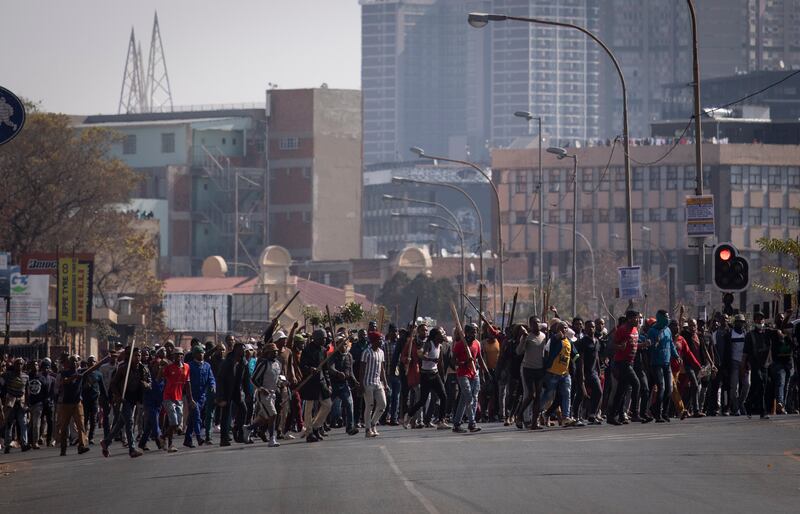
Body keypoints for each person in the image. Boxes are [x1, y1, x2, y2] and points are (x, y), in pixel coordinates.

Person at [101, 347, 149, 458]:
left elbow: (149, 382)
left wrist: (146, 385)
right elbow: (113, 384)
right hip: (124, 399)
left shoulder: (143, 369)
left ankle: (106, 442)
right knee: (130, 421)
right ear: (131, 357)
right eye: (135, 355)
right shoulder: (123, 369)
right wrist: (117, 396)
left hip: (135, 399)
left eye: (139, 355)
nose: (138, 358)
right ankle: (132, 449)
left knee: (120, 423)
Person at [404, 327, 450, 430]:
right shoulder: (429, 344)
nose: (443, 334)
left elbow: (440, 363)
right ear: (435, 336)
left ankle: (441, 421)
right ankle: (409, 415)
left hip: (435, 374)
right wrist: (431, 359)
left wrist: (442, 376)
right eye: (441, 333)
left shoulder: (440, 346)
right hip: (426, 375)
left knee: (443, 396)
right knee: (422, 401)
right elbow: (422, 356)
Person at [55, 355, 99, 456]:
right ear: (69, 363)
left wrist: (106, 359)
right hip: (66, 404)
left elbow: (93, 368)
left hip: (77, 402)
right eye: (72, 362)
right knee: (64, 427)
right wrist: (74, 377)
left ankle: (82, 446)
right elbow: (64, 381)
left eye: (76, 362)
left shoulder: (81, 372)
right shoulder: (64, 372)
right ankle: (63, 448)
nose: (75, 363)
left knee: (81, 425)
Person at [539, 321, 580, 427]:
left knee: (566, 394)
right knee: (548, 395)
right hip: (552, 373)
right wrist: (556, 337)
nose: (563, 330)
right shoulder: (553, 339)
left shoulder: (569, 341)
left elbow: (575, 355)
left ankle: (566, 417)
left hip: (565, 374)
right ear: (557, 329)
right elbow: (549, 347)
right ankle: (536, 413)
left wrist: (576, 363)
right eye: (561, 328)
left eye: (565, 328)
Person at [452, 323, 487, 433]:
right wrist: (463, 363)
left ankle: (457, 423)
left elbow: (480, 358)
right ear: (466, 333)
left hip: (474, 373)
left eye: (476, 331)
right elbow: (453, 362)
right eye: (472, 332)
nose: (474, 334)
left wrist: (485, 372)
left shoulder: (477, 343)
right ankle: (472, 423)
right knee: (468, 397)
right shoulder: (460, 344)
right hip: (463, 374)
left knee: (471, 398)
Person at [299, 329, 332, 443]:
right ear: (316, 338)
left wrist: (329, 384)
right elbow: (302, 365)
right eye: (322, 338)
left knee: (327, 405)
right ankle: (309, 432)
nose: (324, 340)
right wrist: (309, 369)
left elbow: (326, 370)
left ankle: (315, 426)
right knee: (309, 409)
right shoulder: (307, 350)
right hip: (310, 383)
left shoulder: (323, 350)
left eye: (325, 338)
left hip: (321, 382)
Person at [610, 311, 642, 426]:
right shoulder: (622, 330)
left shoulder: (635, 330)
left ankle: (612, 416)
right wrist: (619, 346)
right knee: (636, 383)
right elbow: (612, 345)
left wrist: (643, 345)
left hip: (630, 362)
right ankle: (635, 413)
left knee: (621, 390)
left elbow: (634, 345)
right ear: (629, 319)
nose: (638, 320)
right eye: (636, 318)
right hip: (622, 363)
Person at [514, 317, 546, 429]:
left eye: (537, 323)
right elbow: (518, 351)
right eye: (533, 323)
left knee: (538, 396)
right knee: (530, 394)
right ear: (530, 325)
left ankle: (534, 423)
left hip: (539, 369)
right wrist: (523, 338)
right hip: (528, 368)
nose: (536, 325)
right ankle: (519, 415)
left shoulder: (543, 336)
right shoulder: (527, 336)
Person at [648, 310, 680, 422]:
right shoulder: (652, 331)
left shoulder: (667, 330)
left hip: (667, 363)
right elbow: (649, 346)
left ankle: (664, 413)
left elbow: (671, 344)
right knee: (661, 388)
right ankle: (657, 414)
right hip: (656, 364)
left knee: (669, 389)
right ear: (660, 318)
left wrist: (676, 355)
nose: (668, 318)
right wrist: (654, 344)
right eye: (665, 317)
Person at [217, 341, 250, 445]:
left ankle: (238, 430)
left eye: (244, 349)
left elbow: (246, 380)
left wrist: (247, 393)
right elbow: (220, 379)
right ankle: (224, 439)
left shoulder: (243, 362)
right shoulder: (227, 362)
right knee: (226, 415)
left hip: (237, 390)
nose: (243, 351)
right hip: (226, 390)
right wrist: (220, 397)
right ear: (236, 350)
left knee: (244, 409)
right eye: (241, 349)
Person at [249, 343, 283, 447]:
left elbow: (276, 379)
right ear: (267, 353)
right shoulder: (263, 364)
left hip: (273, 394)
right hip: (263, 394)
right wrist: (261, 388)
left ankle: (248, 429)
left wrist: (282, 383)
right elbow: (253, 378)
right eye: (273, 351)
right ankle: (272, 438)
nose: (275, 353)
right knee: (273, 414)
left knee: (265, 417)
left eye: (276, 351)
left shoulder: (277, 364)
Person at [743, 311, 772, 419]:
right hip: (754, 364)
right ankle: (762, 411)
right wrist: (743, 366)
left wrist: (778, 331)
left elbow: (780, 329)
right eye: (758, 319)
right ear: (754, 321)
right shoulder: (750, 335)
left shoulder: (767, 332)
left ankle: (748, 403)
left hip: (765, 364)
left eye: (761, 319)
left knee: (760, 387)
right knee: (759, 383)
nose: (760, 321)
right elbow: (745, 353)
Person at [360, 331, 388, 437]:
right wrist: (361, 384)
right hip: (368, 383)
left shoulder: (381, 352)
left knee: (383, 404)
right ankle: (368, 429)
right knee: (370, 405)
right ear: (374, 341)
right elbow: (362, 370)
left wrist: (385, 383)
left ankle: (373, 423)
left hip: (378, 383)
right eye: (379, 340)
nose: (381, 342)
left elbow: (382, 369)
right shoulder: (366, 352)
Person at [329, 335, 359, 436]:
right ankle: (319, 426)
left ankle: (350, 427)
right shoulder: (333, 355)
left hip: (344, 385)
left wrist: (354, 381)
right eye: (342, 344)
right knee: (327, 406)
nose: (344, 346)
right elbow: (331, 368)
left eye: (345, 344)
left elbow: (350, 371)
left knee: (349, 404)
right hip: (333, 385)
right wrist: (337, 373)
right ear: (337, 345)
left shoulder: (349, 356)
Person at [186, 345, 216, 447]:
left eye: (202, 352)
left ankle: (187, 439)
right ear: (194, 354)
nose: (201, 354)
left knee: (192, 418)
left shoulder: (207, 366)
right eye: (199, 353)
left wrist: (212, 385)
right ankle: (199, 437)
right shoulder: (189, 366)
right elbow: (186, 381)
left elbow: (211, 378)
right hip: (192, 396)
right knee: (197, 417)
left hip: (202, 396)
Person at [575, 319, 603, 424]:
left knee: (599, 392)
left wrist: (599, 370)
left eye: (592, 327)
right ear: (585, 329)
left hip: (593, 372)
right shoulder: (583, 342)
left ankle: (592, 415)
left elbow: (596, 357)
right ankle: (576, 417)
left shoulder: (596, 341)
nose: (591, 329)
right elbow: (580, 360)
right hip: (583, 372)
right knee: (580, 395)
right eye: (589, 327)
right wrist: (581, 375)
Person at [2, 358, 30, 453]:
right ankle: (7, 444)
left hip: (21, 402)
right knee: (9, 424)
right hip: (11, 402)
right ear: (14, 365)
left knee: (23, 423)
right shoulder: (8, 375)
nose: (19, 366)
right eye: (17, 364)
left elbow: (27, 391)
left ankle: (24, 444)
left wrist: (27, 404)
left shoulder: (26, 376)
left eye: (21, 364)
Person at [26, 359, 54, 449]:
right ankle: (34, 441)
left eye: (48, 367)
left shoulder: (52, 378)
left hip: (49, 403)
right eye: (45, 367)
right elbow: (34, 391)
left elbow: (53, 391)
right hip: (39, 403)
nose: (47, 369)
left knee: (50, 422)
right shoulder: (38, 378)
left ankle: (49, 440)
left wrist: (51, 400)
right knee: (36, 423)